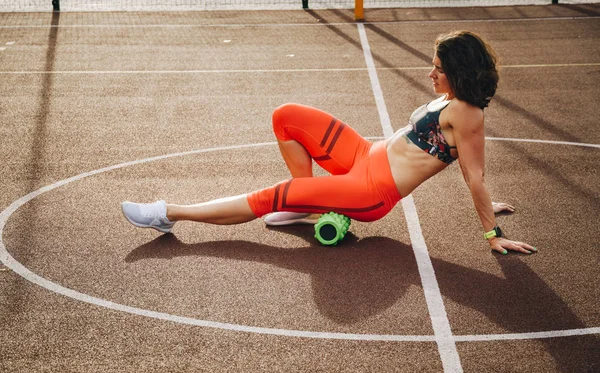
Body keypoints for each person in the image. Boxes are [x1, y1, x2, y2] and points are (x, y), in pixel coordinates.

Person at [122, 30, 537, 255]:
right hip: (363, 154)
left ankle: (168, 212)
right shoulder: (451, 97)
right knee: (286, 117)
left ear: (460, 72)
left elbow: (474, 171)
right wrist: (485, 197)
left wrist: (491, 232)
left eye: (438, 70)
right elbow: (461, 165)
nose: (431, 75)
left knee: (270, 197)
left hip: (369, 190)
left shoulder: (467, 113)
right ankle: (303, 204)